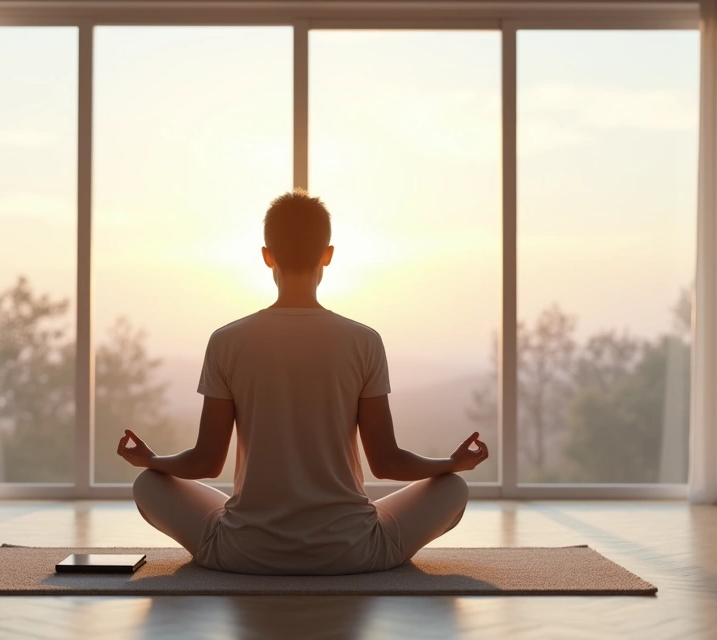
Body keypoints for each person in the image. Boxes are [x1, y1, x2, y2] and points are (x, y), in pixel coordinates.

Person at [116, 190, 489, 575]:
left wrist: (151, 461)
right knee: (453, 487)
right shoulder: (364, 341)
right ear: (327, 255)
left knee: (148, 484)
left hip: (243, 551)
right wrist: (453, 463)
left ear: (267, 256)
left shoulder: (227, 341)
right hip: (353, 551)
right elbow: (386, 462)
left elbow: (207, 462)